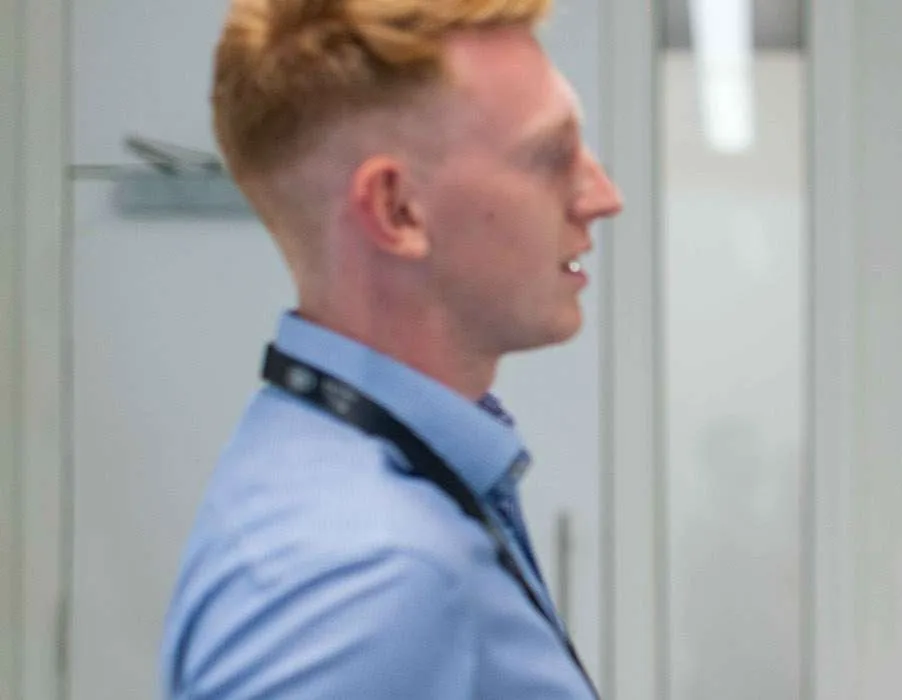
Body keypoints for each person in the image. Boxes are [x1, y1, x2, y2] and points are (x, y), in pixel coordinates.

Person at [159, 0, 622, 696]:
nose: (601, 196)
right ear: (397, 209)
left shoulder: (340, 475)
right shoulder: (363, 577)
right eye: (552, 155)